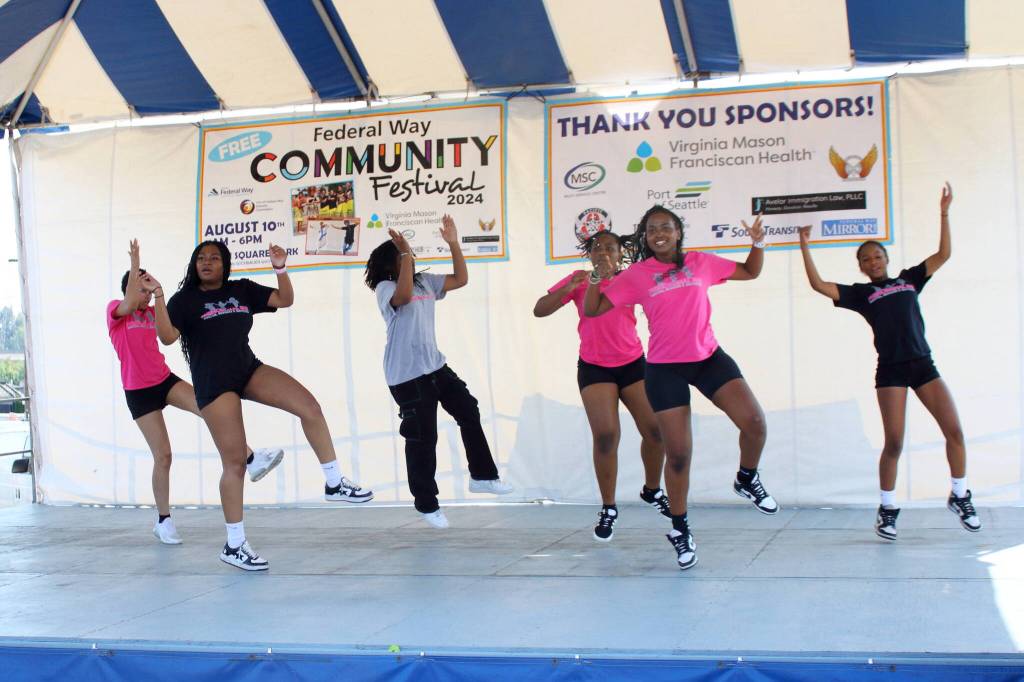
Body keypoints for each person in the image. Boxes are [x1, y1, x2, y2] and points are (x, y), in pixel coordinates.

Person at [152, 240, 373, 571]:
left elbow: (285, 299)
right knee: (236, 464)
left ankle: (334, 481)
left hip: (248, 370)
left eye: (214, 258)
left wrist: (280, 268)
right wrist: (157, 297)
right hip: (215, 385)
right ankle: (234, 545)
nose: (207, 262)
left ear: (225, 264)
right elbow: (167, 337)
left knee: (310, 407)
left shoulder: (241, 290)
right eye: (201, 258)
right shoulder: (185, 300)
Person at [584, 206, 777, 570]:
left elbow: (751, 271)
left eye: (666, 227)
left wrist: (758, 242)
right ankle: (680, 528)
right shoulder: (638, 275)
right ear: (645, 236)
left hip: (707, 358)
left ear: (677, 232)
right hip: (664, 368)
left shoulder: (701, 263)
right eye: (652, 228)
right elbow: (593, 311)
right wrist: (596, 277)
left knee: (754, 423)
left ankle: (747, 478)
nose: (659, 233)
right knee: (678, 454)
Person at [797, 183, 980, 540]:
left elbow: (943, 254)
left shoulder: (910, 279)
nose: (873, 262)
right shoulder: (862, 294)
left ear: (885, 258)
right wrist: (805, 245)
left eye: (877, 256)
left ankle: (960, 495)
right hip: (892, 371)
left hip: (923, 365)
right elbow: (819, 285)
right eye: (866, 259)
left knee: (954, 431)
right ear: (862, 268)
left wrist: (944, 213)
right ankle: (887, 509)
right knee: (894, 441)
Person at [108, 240, 284, 545]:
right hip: (139, 391)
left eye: (149, 291)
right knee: (163, 455)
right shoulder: (117, 313)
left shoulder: (153, 315)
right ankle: (163, 521)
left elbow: (174, 329)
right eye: (141, 289)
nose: (146, 296)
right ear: (129, 290)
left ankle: (251, 459)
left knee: (210, 407)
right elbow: (127, 300)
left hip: (164, 380)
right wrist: (136, 261)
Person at [364, 215, 513, 528]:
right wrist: (404, 252)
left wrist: (454, 243)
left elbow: (461, 279)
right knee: (423, 437)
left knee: (468, 409)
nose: (412, 259)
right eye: (405, 256)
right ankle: (427, 503)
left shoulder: (425, 282)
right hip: (406, 375)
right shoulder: (385, 287)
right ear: (392, 261)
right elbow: (402, 298)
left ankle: (483, 476)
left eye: (412, 256)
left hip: (435, 365)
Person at [533, 230, 668, 542]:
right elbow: (540, 309)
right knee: (606, 436)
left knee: (656, 431)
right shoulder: (579, 279)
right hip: (595, 368)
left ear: (621, 255)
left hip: (633, 364)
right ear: (590, 254)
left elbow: (660, 299)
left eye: (610, 248)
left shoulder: (631, 278)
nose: (603, 252)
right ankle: (609, 507)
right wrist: (570, 286)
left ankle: (651, 490)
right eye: (597, 247)